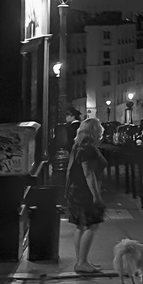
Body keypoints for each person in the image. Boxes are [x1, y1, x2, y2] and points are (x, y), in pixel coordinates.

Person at [64, 117, 108, 273]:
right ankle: (82, 262)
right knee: (92, 225)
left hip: (74, 192)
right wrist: (96, 196)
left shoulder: (77, 147)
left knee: (81, 226)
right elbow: (88, 174)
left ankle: (81, 261)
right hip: (85, 193)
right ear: (95, 132)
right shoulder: (88, 149)